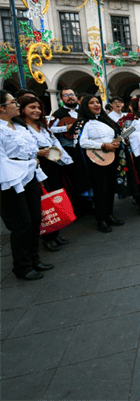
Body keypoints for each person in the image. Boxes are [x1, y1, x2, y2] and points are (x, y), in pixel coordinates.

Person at [0, 90, 53, 280]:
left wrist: (36, 157)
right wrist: (28, 163)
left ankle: (34, 258)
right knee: (21, 224)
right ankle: (22, 266)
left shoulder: (18, 126)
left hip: (29, 175)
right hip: (10, 180)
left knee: (34, 219)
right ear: (2, 108)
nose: (16, 105)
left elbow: (29, 151)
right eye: (12, 102)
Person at [19, 95, 74, 251]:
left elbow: (54, 143)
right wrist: (39, 152)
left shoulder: (41, 126)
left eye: (38, 108)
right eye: (32, 108)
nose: (36, 111)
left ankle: (55, 232)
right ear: (22, 109)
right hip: (37, 166)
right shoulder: (21, 128)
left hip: (52, 163)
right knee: (43, 203)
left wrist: (63, 157)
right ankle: (47, 236)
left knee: (54, 197)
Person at [77, 95, 126, 233]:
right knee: (101, 190)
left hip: (112, 158)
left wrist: (115, 143)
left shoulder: (107, 120)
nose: (96, 105)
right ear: (85, 106)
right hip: (96, 161)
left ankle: (109, 215)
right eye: (91, 103)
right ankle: (101, 220)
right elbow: (82, 142)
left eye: (97, 102)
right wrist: (103, 145)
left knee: (110, 188)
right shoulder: (84, 123)